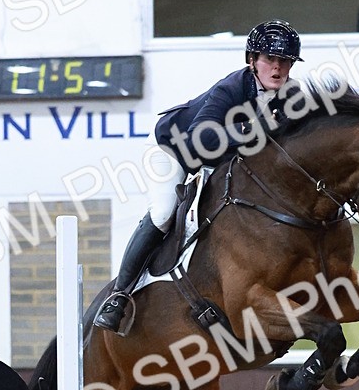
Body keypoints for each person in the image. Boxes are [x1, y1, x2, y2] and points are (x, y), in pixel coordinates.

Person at [93, 19, 303, 332]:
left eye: (285, 62)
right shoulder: (231, 88)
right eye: (269, 60)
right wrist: (249, 130)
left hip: (218, 159)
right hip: (174, 149)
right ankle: (119, 296)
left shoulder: (291, 96)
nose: (277, 69)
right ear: (252, 61)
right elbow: (199, 140)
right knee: (164, 213)